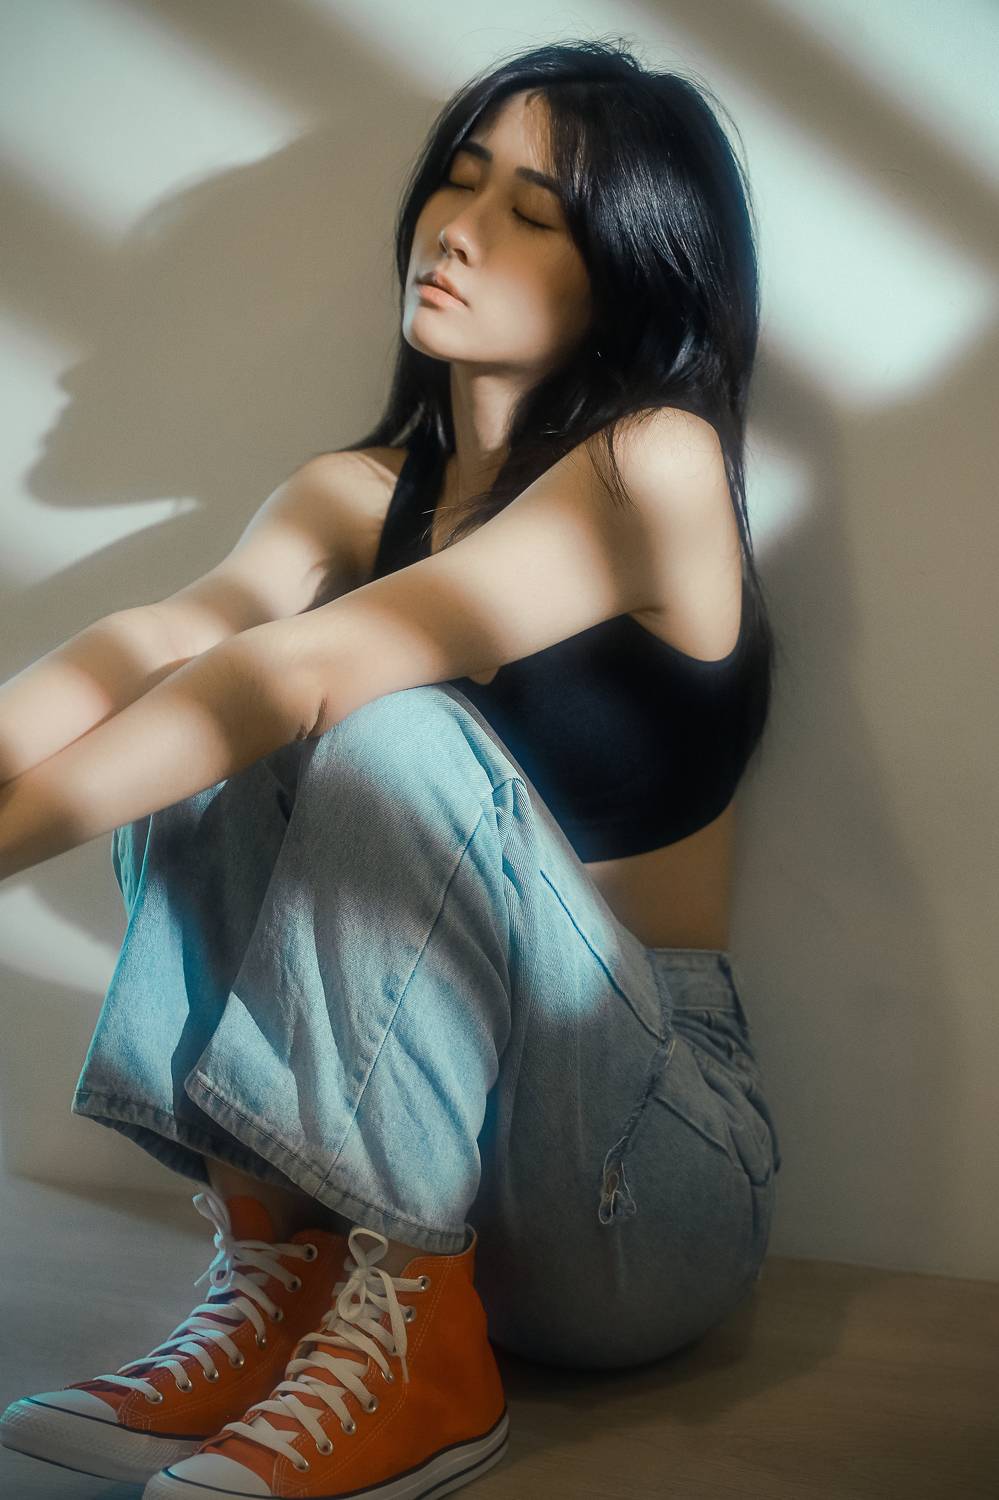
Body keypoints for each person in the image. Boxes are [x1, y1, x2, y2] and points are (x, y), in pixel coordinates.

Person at [0, 38, 784, 1500]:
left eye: (532, 213)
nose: (458, 229)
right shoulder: (353, 495)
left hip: (640, 1181)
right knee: (203, 735)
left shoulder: (656, 467)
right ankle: (288, 1285)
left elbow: (304, 671)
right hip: (391, 1190)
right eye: (457, 182)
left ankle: (428, 1364)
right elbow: (160, 644)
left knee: (368, 716)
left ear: (627, 273)